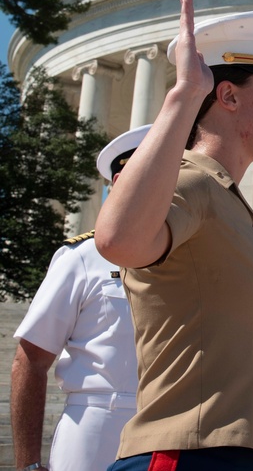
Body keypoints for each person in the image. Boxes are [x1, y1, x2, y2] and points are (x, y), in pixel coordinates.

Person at [95, 0, 253, 470]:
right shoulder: (191, 181)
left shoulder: (228, 200)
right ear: (228, 95)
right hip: (189, 454)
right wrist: (183, 96)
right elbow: (119, 241)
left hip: (230, 453)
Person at [10, 125, 150, 471]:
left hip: (168, 429)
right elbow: (30, 360)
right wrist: (28, 464)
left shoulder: (186, 259)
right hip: (98, 427)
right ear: (118, 183)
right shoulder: (83, 257)